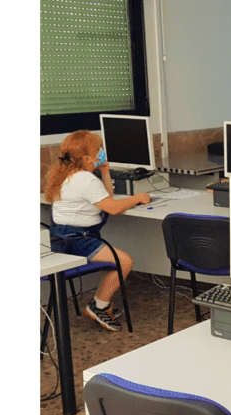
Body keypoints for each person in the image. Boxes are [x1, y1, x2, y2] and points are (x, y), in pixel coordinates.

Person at [44, 130, 151, 331]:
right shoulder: (85, 179)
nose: (102, 152)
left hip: (61, 237)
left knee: (112, 260)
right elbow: (113, 207)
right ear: (86, 158)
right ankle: (100, 306)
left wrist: (105, 171)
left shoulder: (66, 174)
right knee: (124, 261)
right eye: (98, 150)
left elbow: (106, 197)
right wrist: (139, 197)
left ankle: (99, 304)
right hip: (76, 240)